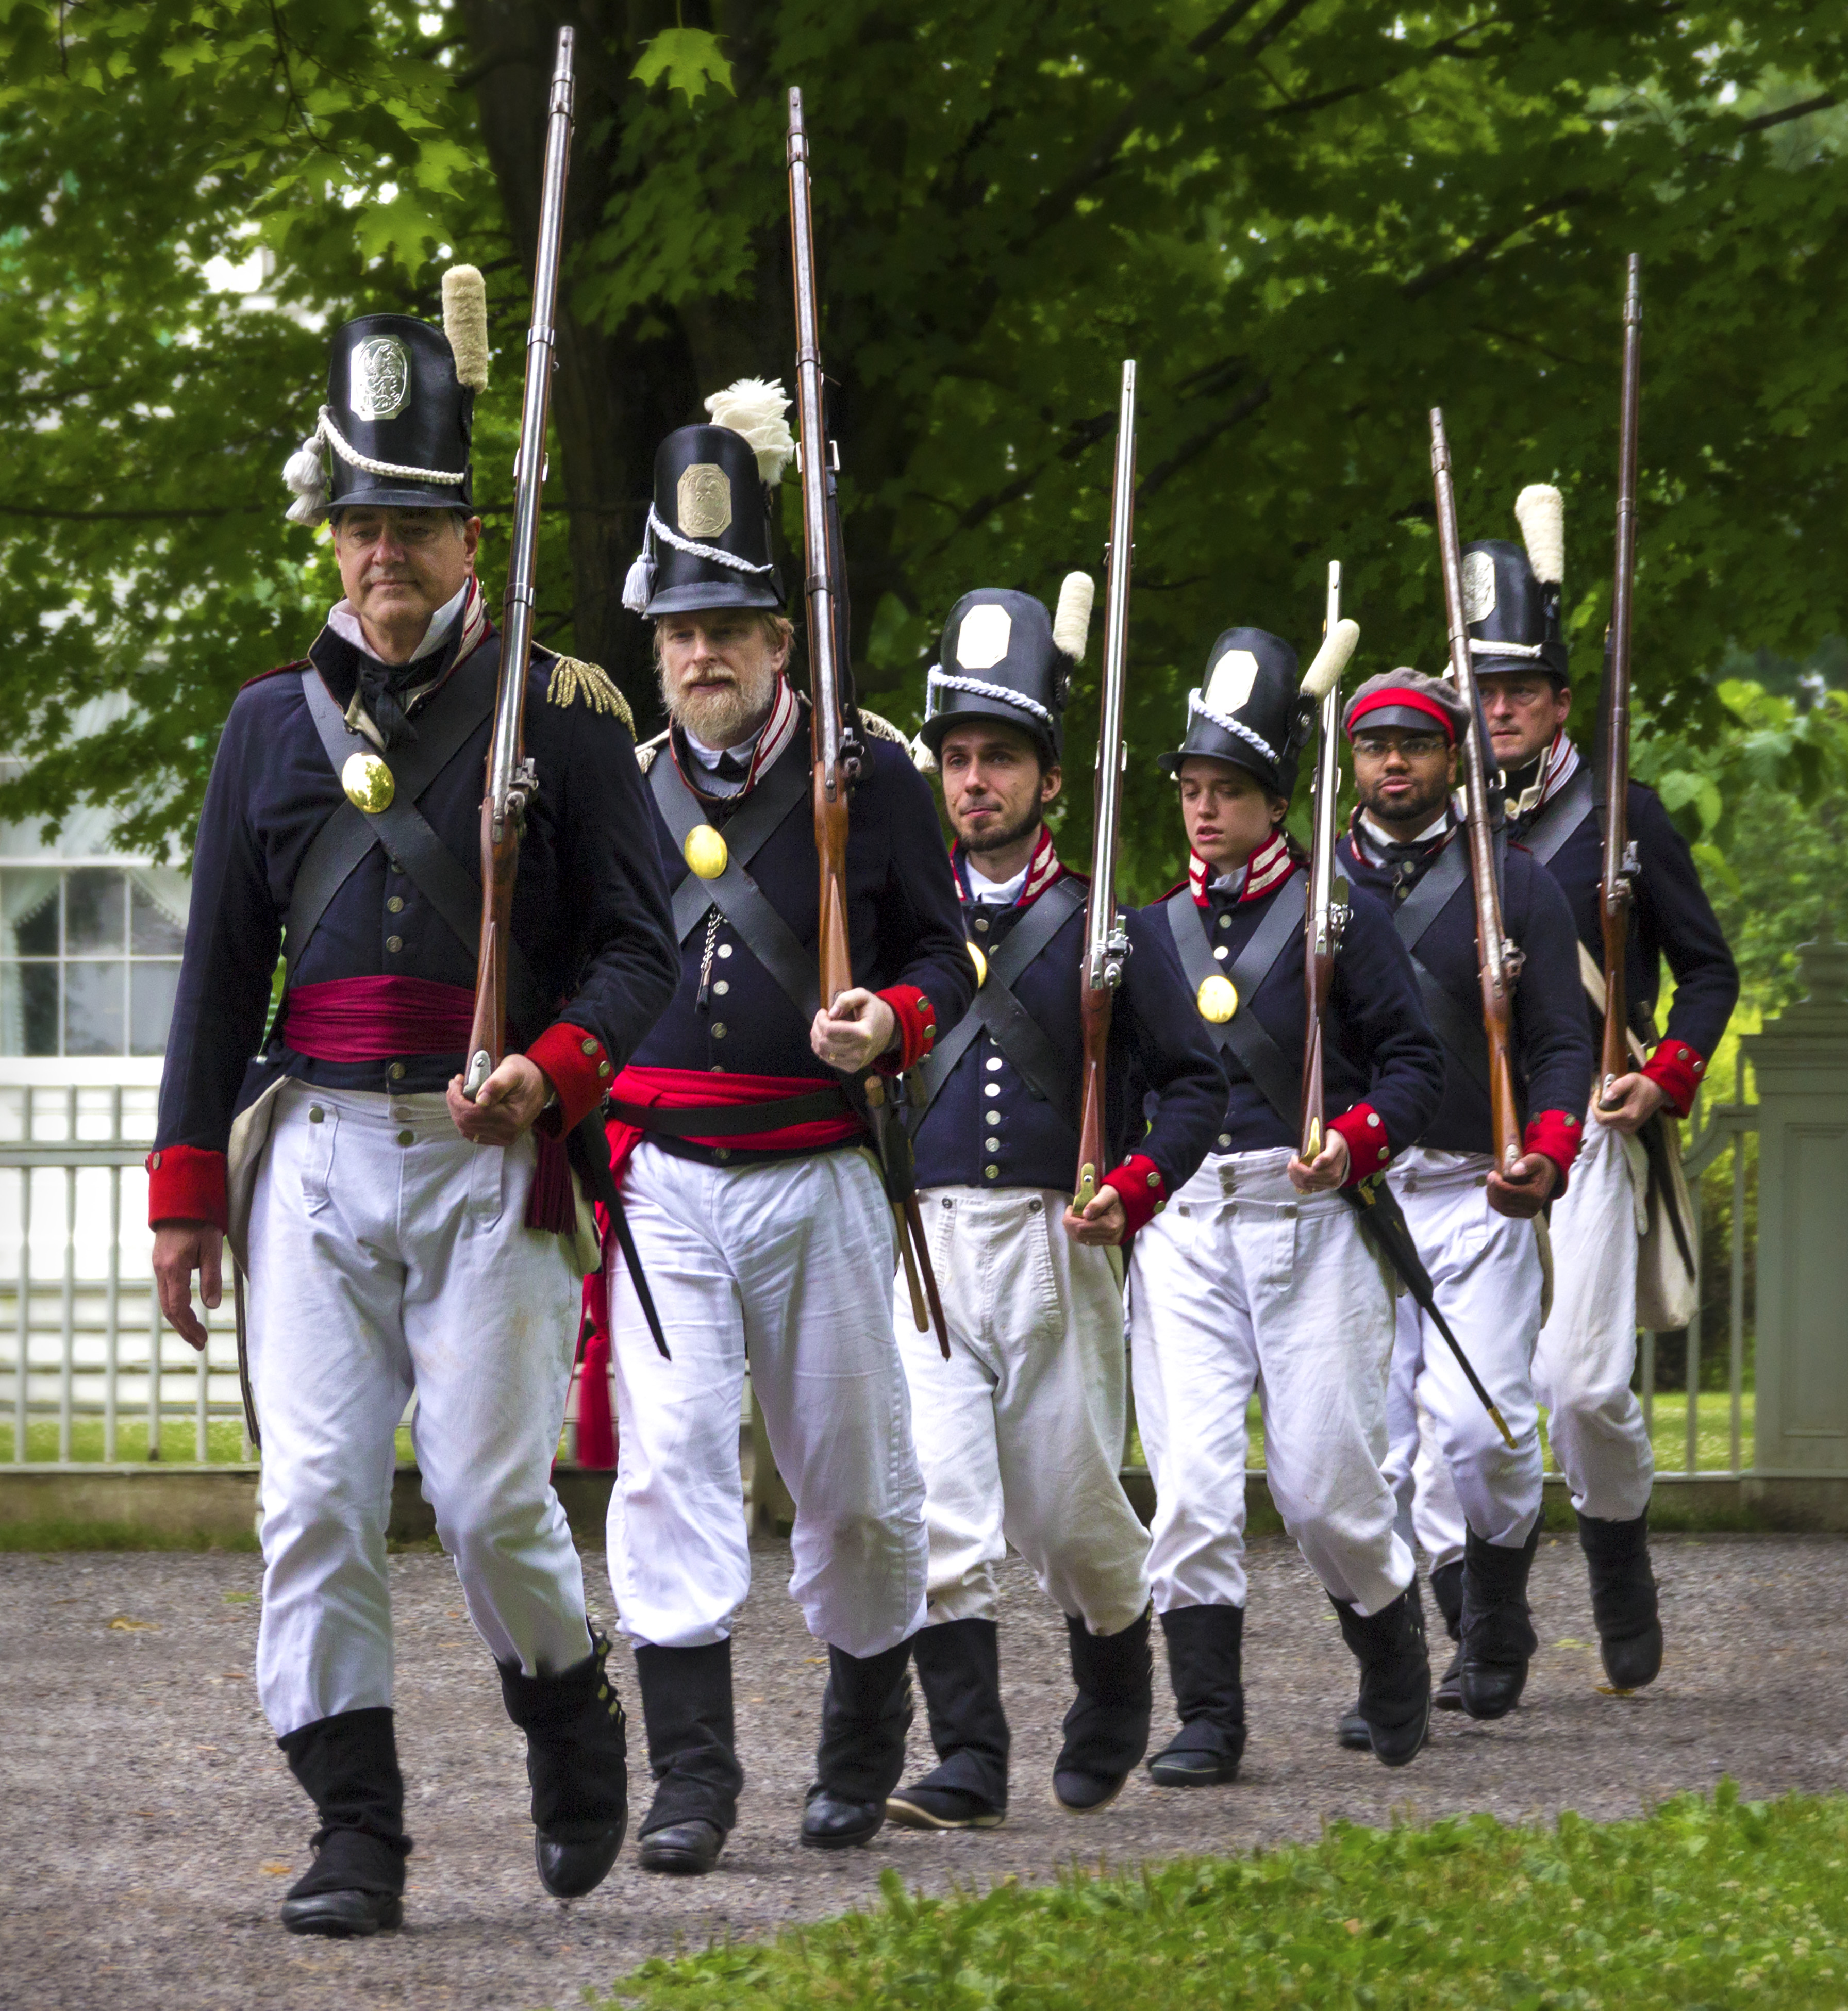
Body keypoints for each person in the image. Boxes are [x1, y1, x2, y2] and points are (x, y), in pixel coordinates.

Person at [144, 278, 676, 1936]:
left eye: (418, 525)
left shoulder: (565, 713)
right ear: (334, 538)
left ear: (467, 538)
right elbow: (220, 978)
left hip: (486, 1154)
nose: (387, 555)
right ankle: (354, 1828)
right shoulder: (260, 729)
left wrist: (555, 1070)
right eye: (362, 525)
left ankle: (567, 1710)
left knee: (485, 1493)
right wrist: (183, 1192)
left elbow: (637, 947)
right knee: (309, 1491)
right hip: (311, 1149)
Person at [594, 385, 978, 1873]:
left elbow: (945, 956)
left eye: (730, 627)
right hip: (669, 1176)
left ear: (777, 638)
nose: (702, 654)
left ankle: (857, 1747)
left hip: (818, 1171)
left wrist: (889, 1016)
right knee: (672, 1461)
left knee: (857, 1479)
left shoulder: (871, 772)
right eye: (680, 632)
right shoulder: (623, 788)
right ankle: (688, 1780)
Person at [881, 583, 1230, 1831]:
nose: (974, 782)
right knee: (941, 1511)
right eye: (959, 759)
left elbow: (1195, 1089)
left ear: (1049, 781)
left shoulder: (1111, 931)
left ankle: (1116, 1660)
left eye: (1001, 760)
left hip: (1057, 1245)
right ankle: (969, 1758)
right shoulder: (893, 925)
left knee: (1071, 1513)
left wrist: (1133, 1189)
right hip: (922, 1247)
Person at [1125, 628, 1449, 1773]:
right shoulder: (1152, 936)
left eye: (1228, 792)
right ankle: (1209, 1719)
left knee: (1325, 1492)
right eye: (1192, 791)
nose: (1204, 812)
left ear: (1275, 800)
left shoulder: (1339, 916)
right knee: (1194, 1491)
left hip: (1312, 1223)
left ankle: (1391, 1637)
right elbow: (1134, 1092)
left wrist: (1356, 1142)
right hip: (1188, 1228)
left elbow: (1416, 1067)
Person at [1478, 484, 1741, 1694]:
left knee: (1580, 1384)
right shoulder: (1445, 827)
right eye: (1483, 692)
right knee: (1466, 1399)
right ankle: (1489, 1630)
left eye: (1520, 690)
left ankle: (1619, 1553)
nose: (1499, 712)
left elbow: (1708, 970)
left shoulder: (1621, 818)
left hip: (1588, 1122)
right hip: (1469, 1131)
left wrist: (1664, 1077)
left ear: (1561, 700)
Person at [1337, 639, 1591, 1740]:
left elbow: (1565, 1045)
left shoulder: (1514, 885)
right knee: (1378, 1451)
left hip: (1475, 1190)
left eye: (1416, 745)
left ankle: (1495, 1615)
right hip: (1354, 1201)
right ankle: (1412, 1653)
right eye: (1376, 745)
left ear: (1453, 757)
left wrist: (1545, 1147)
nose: (1396, 763)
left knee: (1479, 1428)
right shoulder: (1318, 891)